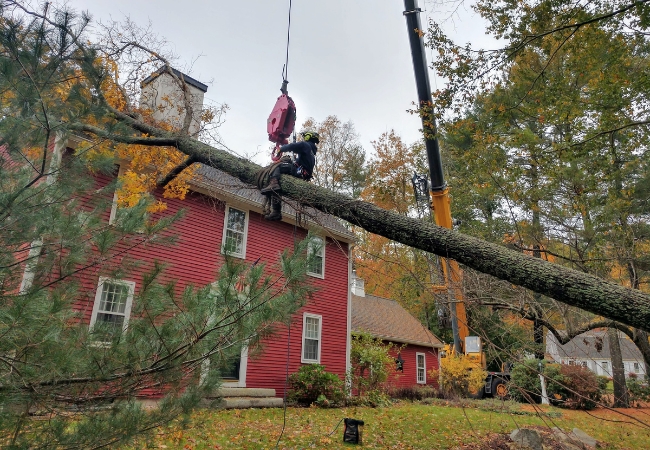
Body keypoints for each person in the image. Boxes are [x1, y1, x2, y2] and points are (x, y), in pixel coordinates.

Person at [259, 131, 319, 221]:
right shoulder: (312, 154)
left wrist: (281, 149)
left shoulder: (305, 145)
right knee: (277, 188)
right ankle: (276, 211)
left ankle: (274, 182)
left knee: (277, 166)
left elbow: (292, 147)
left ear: (308, 137)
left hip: (297, 171)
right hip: (303, 174)